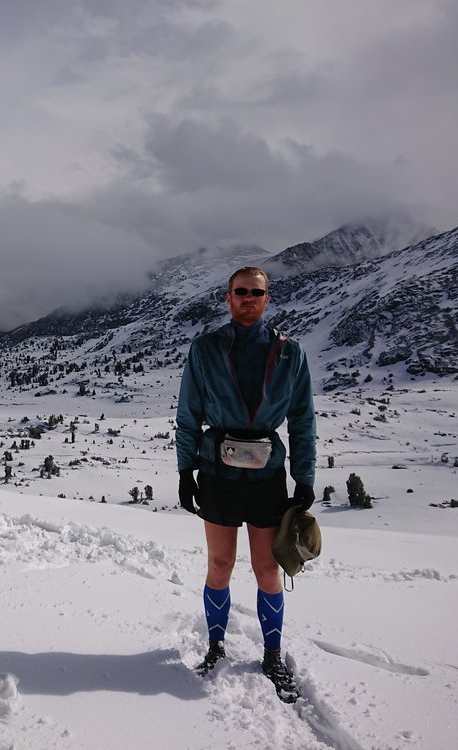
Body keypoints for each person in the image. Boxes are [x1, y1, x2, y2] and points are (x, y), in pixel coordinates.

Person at [175, 266, 316, 703]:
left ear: (267, 299)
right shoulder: (205, 349)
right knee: (219, 564)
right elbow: (188, 414)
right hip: (217, 474)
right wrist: (185, 470)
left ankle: (272, 655)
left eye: (257, 292)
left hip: (267, 478)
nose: (249, 298)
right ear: (228, 297)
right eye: (241, 291)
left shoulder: (290, 353)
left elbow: (303, 421)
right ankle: (216, 647)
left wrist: (305, 478)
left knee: (267, 569)